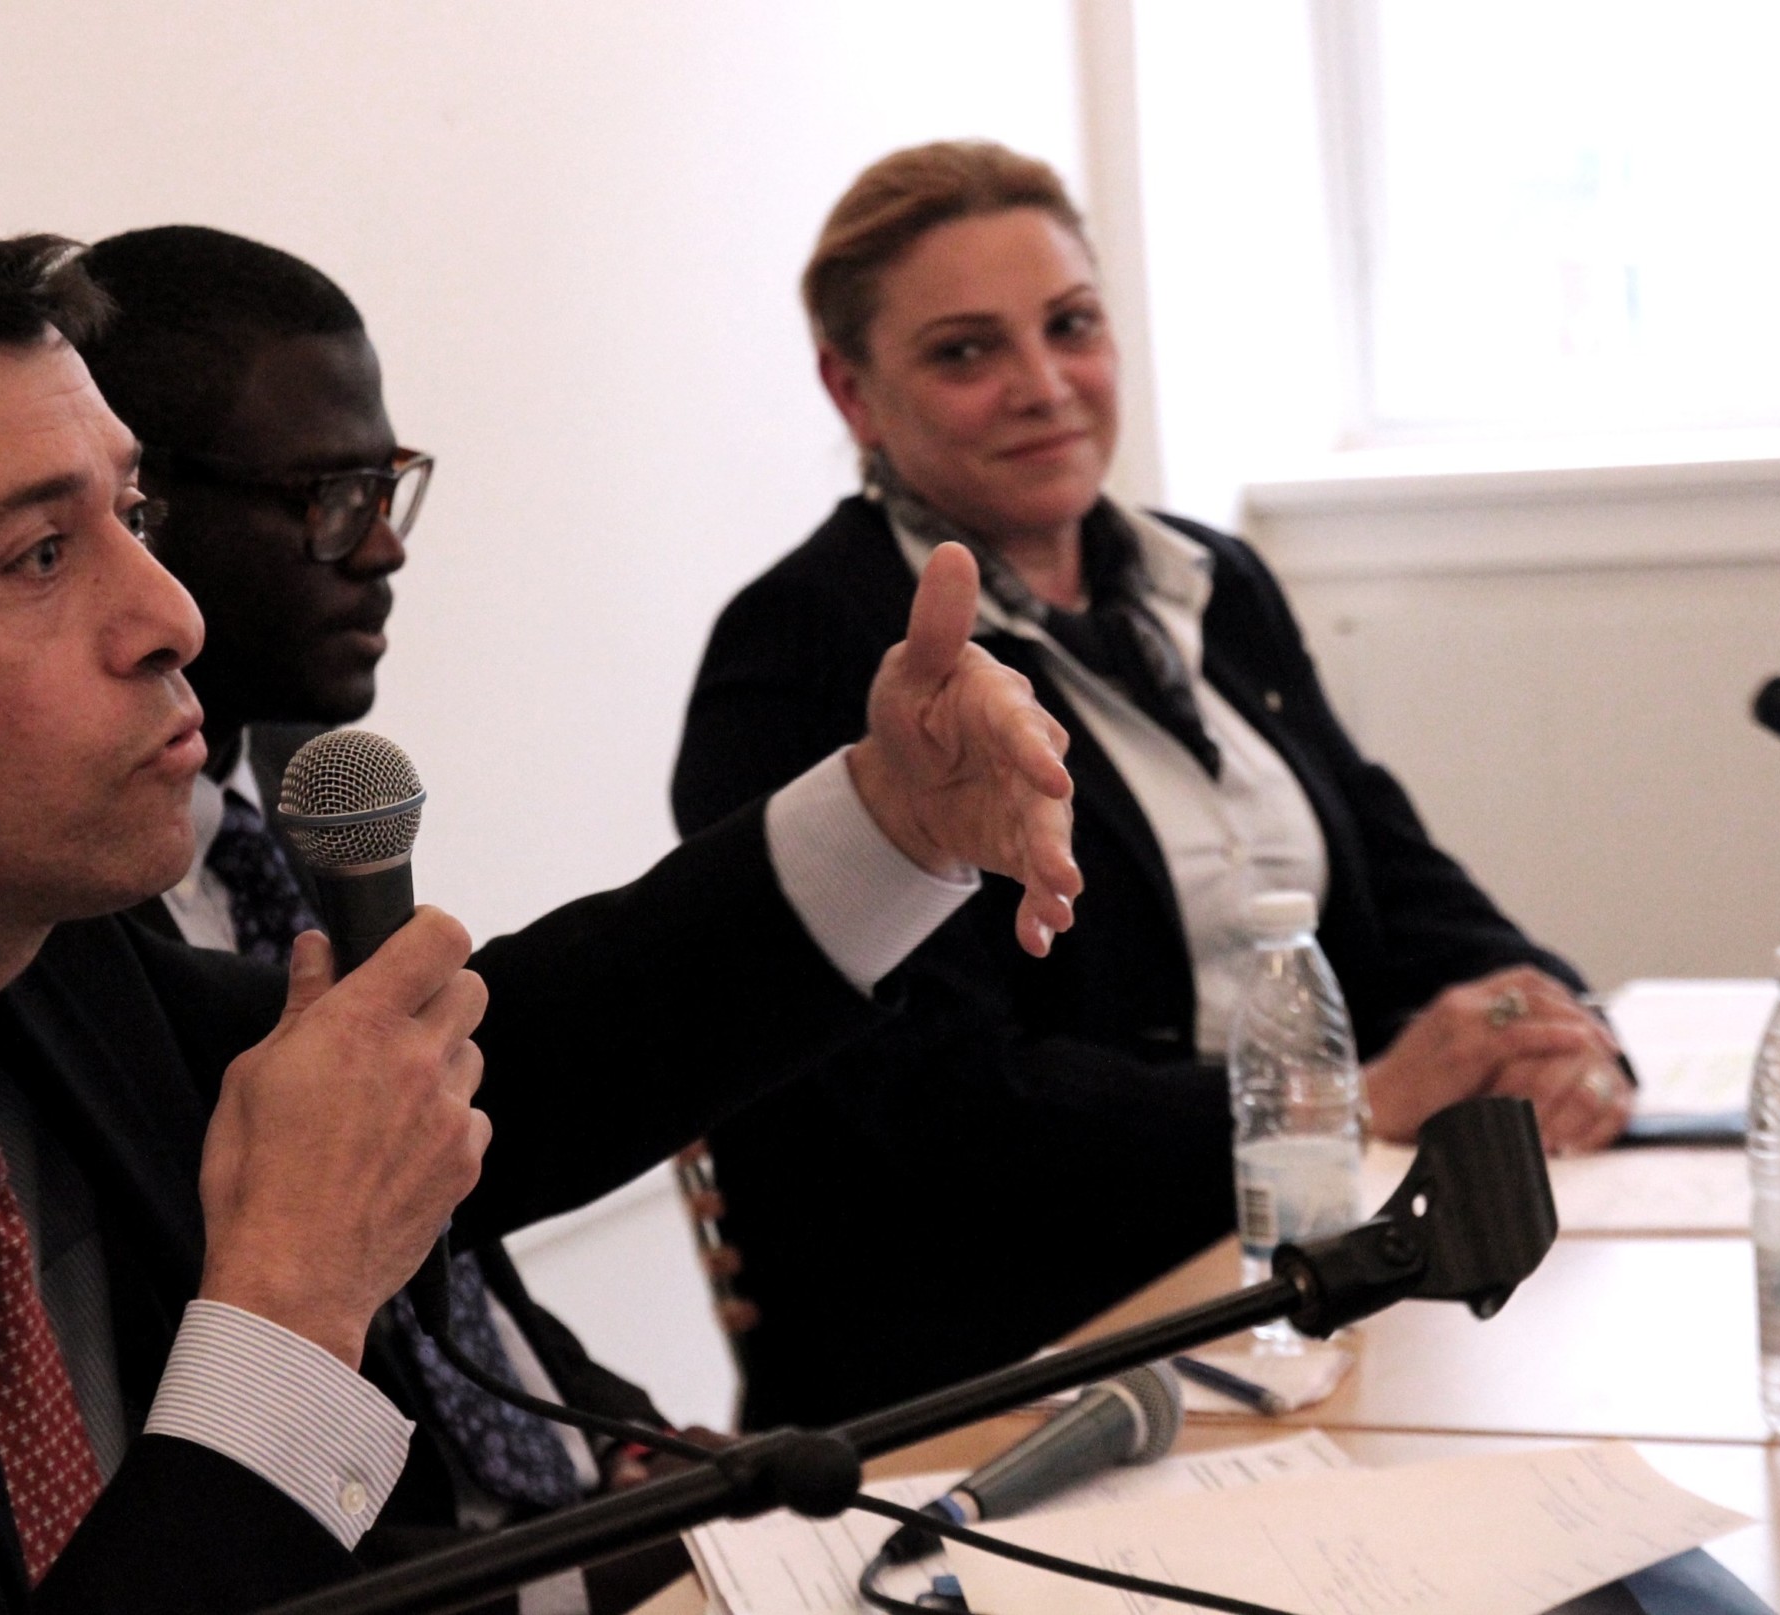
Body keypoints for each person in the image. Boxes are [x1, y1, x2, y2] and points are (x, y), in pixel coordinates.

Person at [0, 213, 1082, 1612]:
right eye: (39, 557)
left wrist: (891, 825)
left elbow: (460, 1078)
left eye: (132, 516)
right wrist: (289, 1313)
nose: (171, 613)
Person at [670, 141, 1633, 1428]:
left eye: (1071, 326)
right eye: (966, 353)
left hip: (1304, 1286)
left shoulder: (1213, 583)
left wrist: (1554, 1027)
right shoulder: (811, 648)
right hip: (1013, 1359)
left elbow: (1393, 880)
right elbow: (935, 1104)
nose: (1043, 386)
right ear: (853, 392)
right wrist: (1342, 1111)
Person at [68, 225, 714, 1610]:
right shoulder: (50, 912)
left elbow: (446, 1244)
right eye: (329, 494)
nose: (383, 550)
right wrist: (574, 1572)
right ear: (148, 509)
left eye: (390, 484)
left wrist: (628, 1441)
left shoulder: (308, 785)